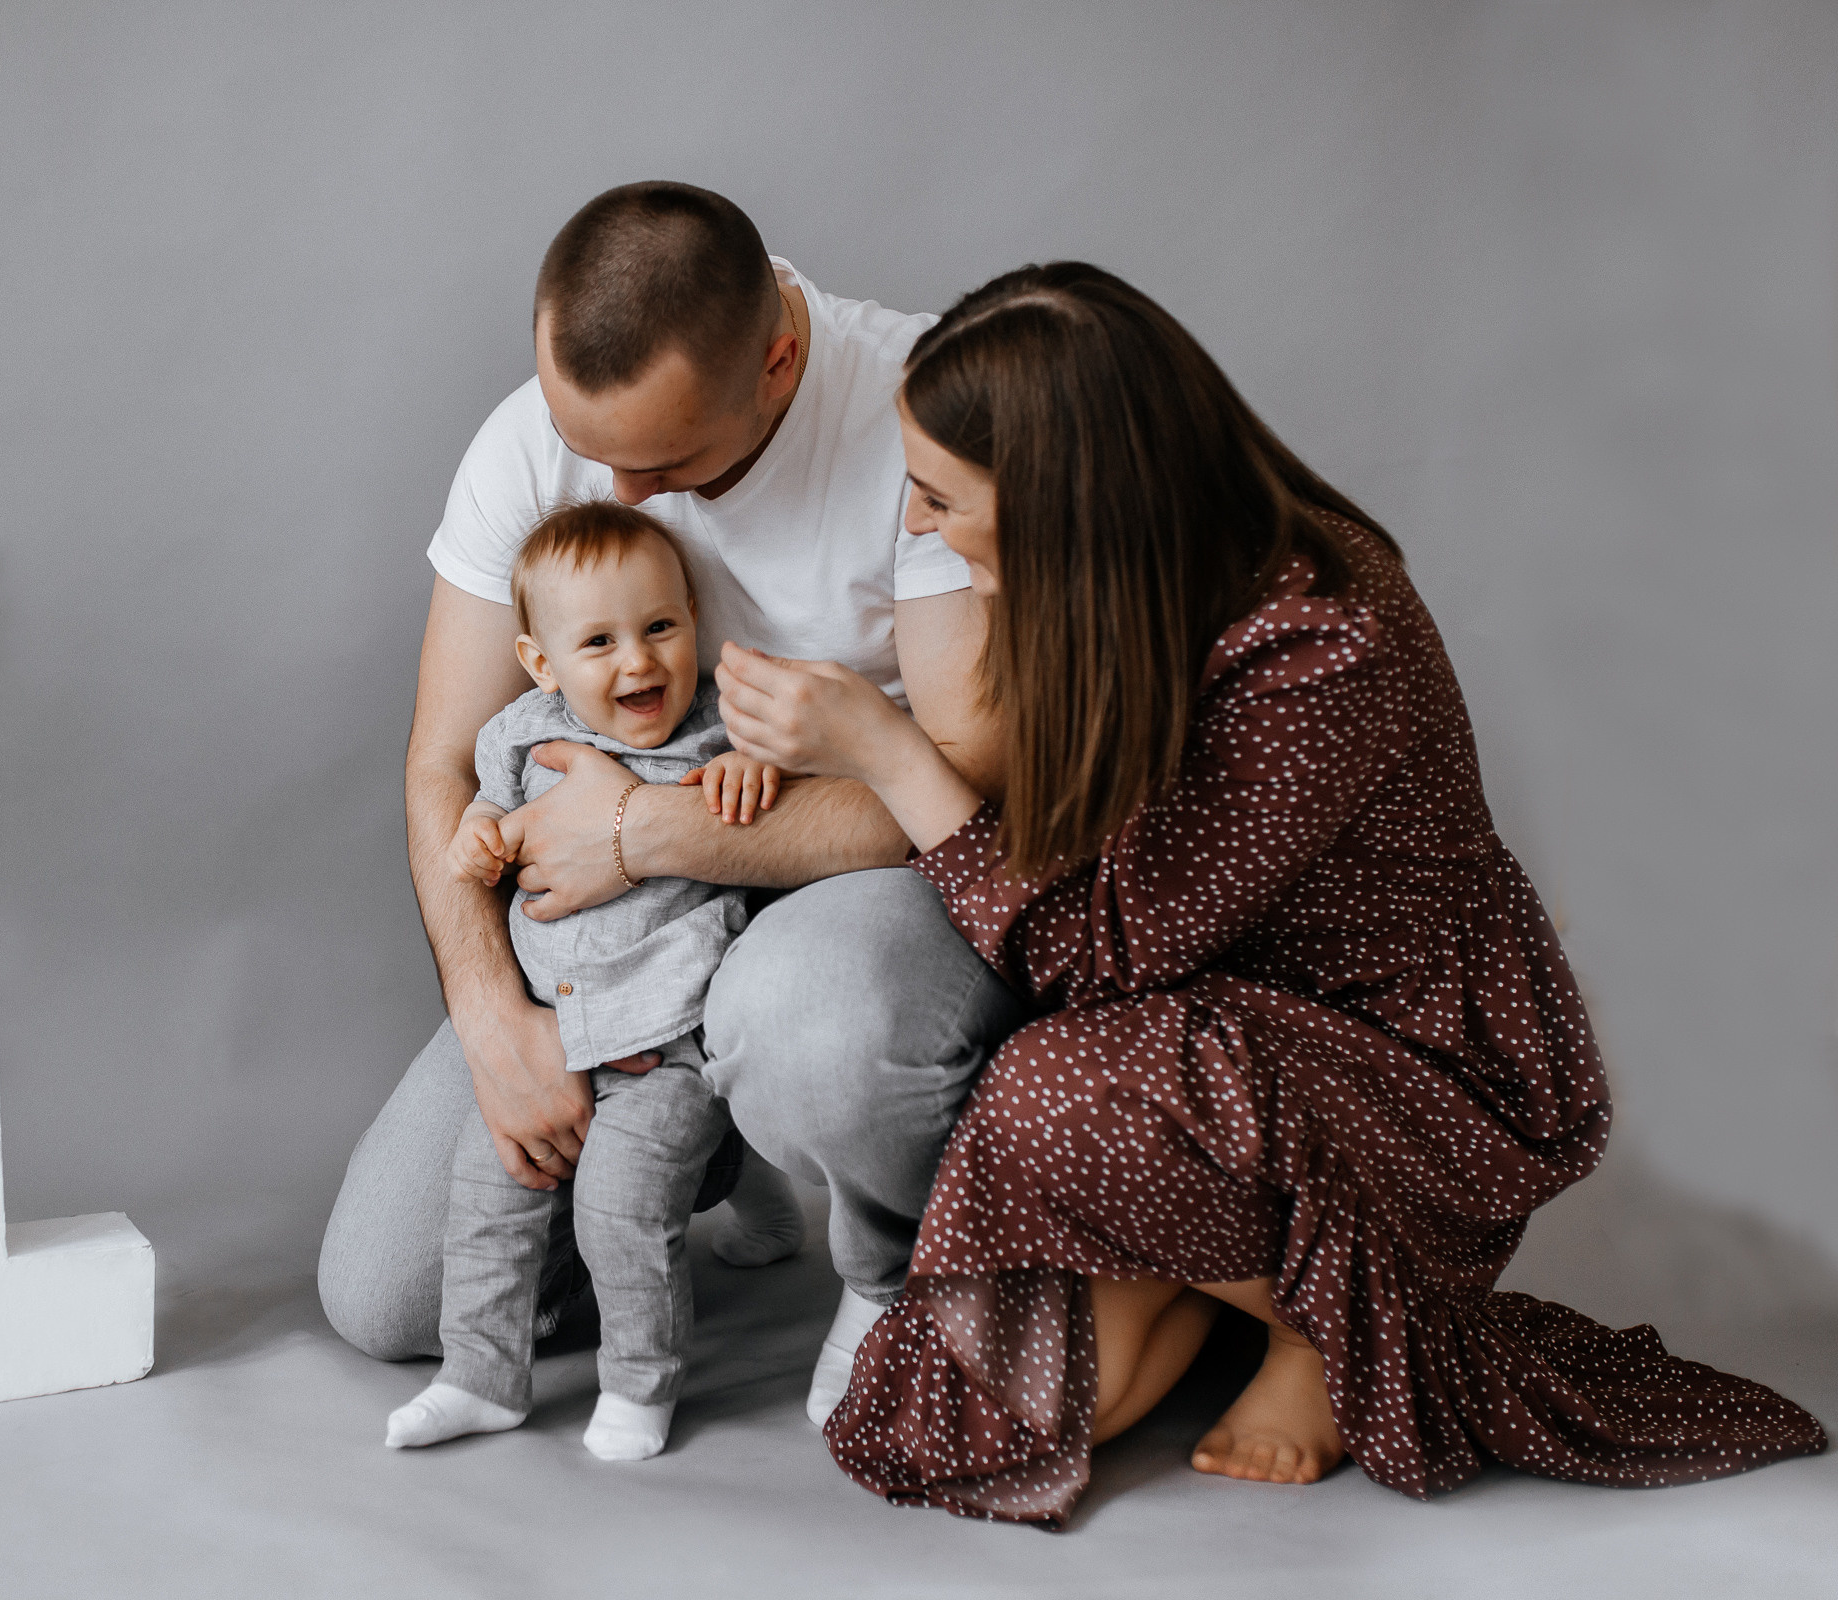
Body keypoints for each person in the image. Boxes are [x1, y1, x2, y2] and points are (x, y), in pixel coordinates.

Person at [714, 261, 1829, 1525]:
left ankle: (1331, 1330)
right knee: (956, 1422)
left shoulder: (1320, 643)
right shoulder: (1108, 597)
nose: (916, 527)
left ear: (1066, 500)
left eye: (937, 498)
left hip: (1404, 1068)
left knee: (1042, 1094)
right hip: (1202, 1028)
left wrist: (889, 752)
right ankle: (1228, 1272)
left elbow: (1088, 962)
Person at [318, 181, 1023, 1428]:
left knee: (804, 1016)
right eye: (596, 452)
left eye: (669, 460)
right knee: (385, 1301)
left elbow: (967, 780)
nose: (628, 493)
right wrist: (496, 1022)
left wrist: (647, 832)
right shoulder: (534, 437)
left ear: (779, 361)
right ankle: (686, 1155)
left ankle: (901, 1256)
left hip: (848, 890)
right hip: (610, 937)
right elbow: (442, 764)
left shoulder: (919, 407)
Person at [386, 500, 783, 1462]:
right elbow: (483, 815)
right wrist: (479, 836)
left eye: (659, 628)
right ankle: (479, 1377)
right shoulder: (519, 738)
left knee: (620, 1212)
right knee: (492, 1203)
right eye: (598, 641)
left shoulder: (717, 730)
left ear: (694, 619)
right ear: (540, 663)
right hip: (552, 1031)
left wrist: (747, 781)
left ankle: (641, 1386)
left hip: (668, 1044)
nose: (638, 663)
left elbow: (773, 790)